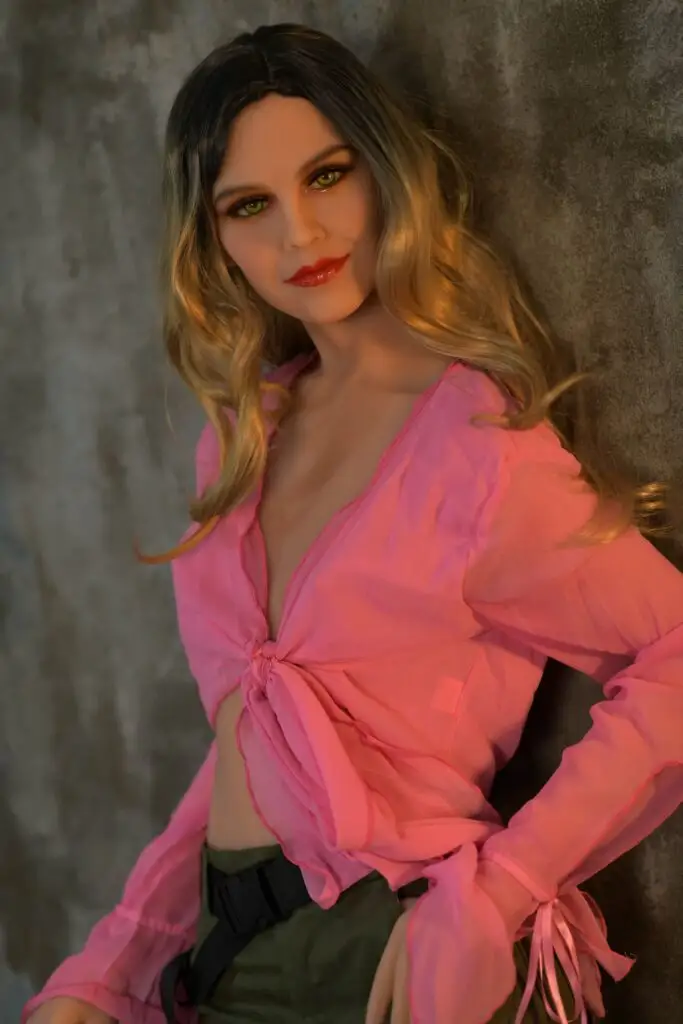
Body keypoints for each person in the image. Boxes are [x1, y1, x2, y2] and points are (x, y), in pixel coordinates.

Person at [23, 21, 683, 1024]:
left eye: (326, 176)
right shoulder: (244, 440)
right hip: (229, 954)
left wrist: (499, 892)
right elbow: (254, 744)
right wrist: (110, 967)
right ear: (214, 240)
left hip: (392, 957)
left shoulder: (472, 448)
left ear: (383, 174)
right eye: (250, 205)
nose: (299, 234)